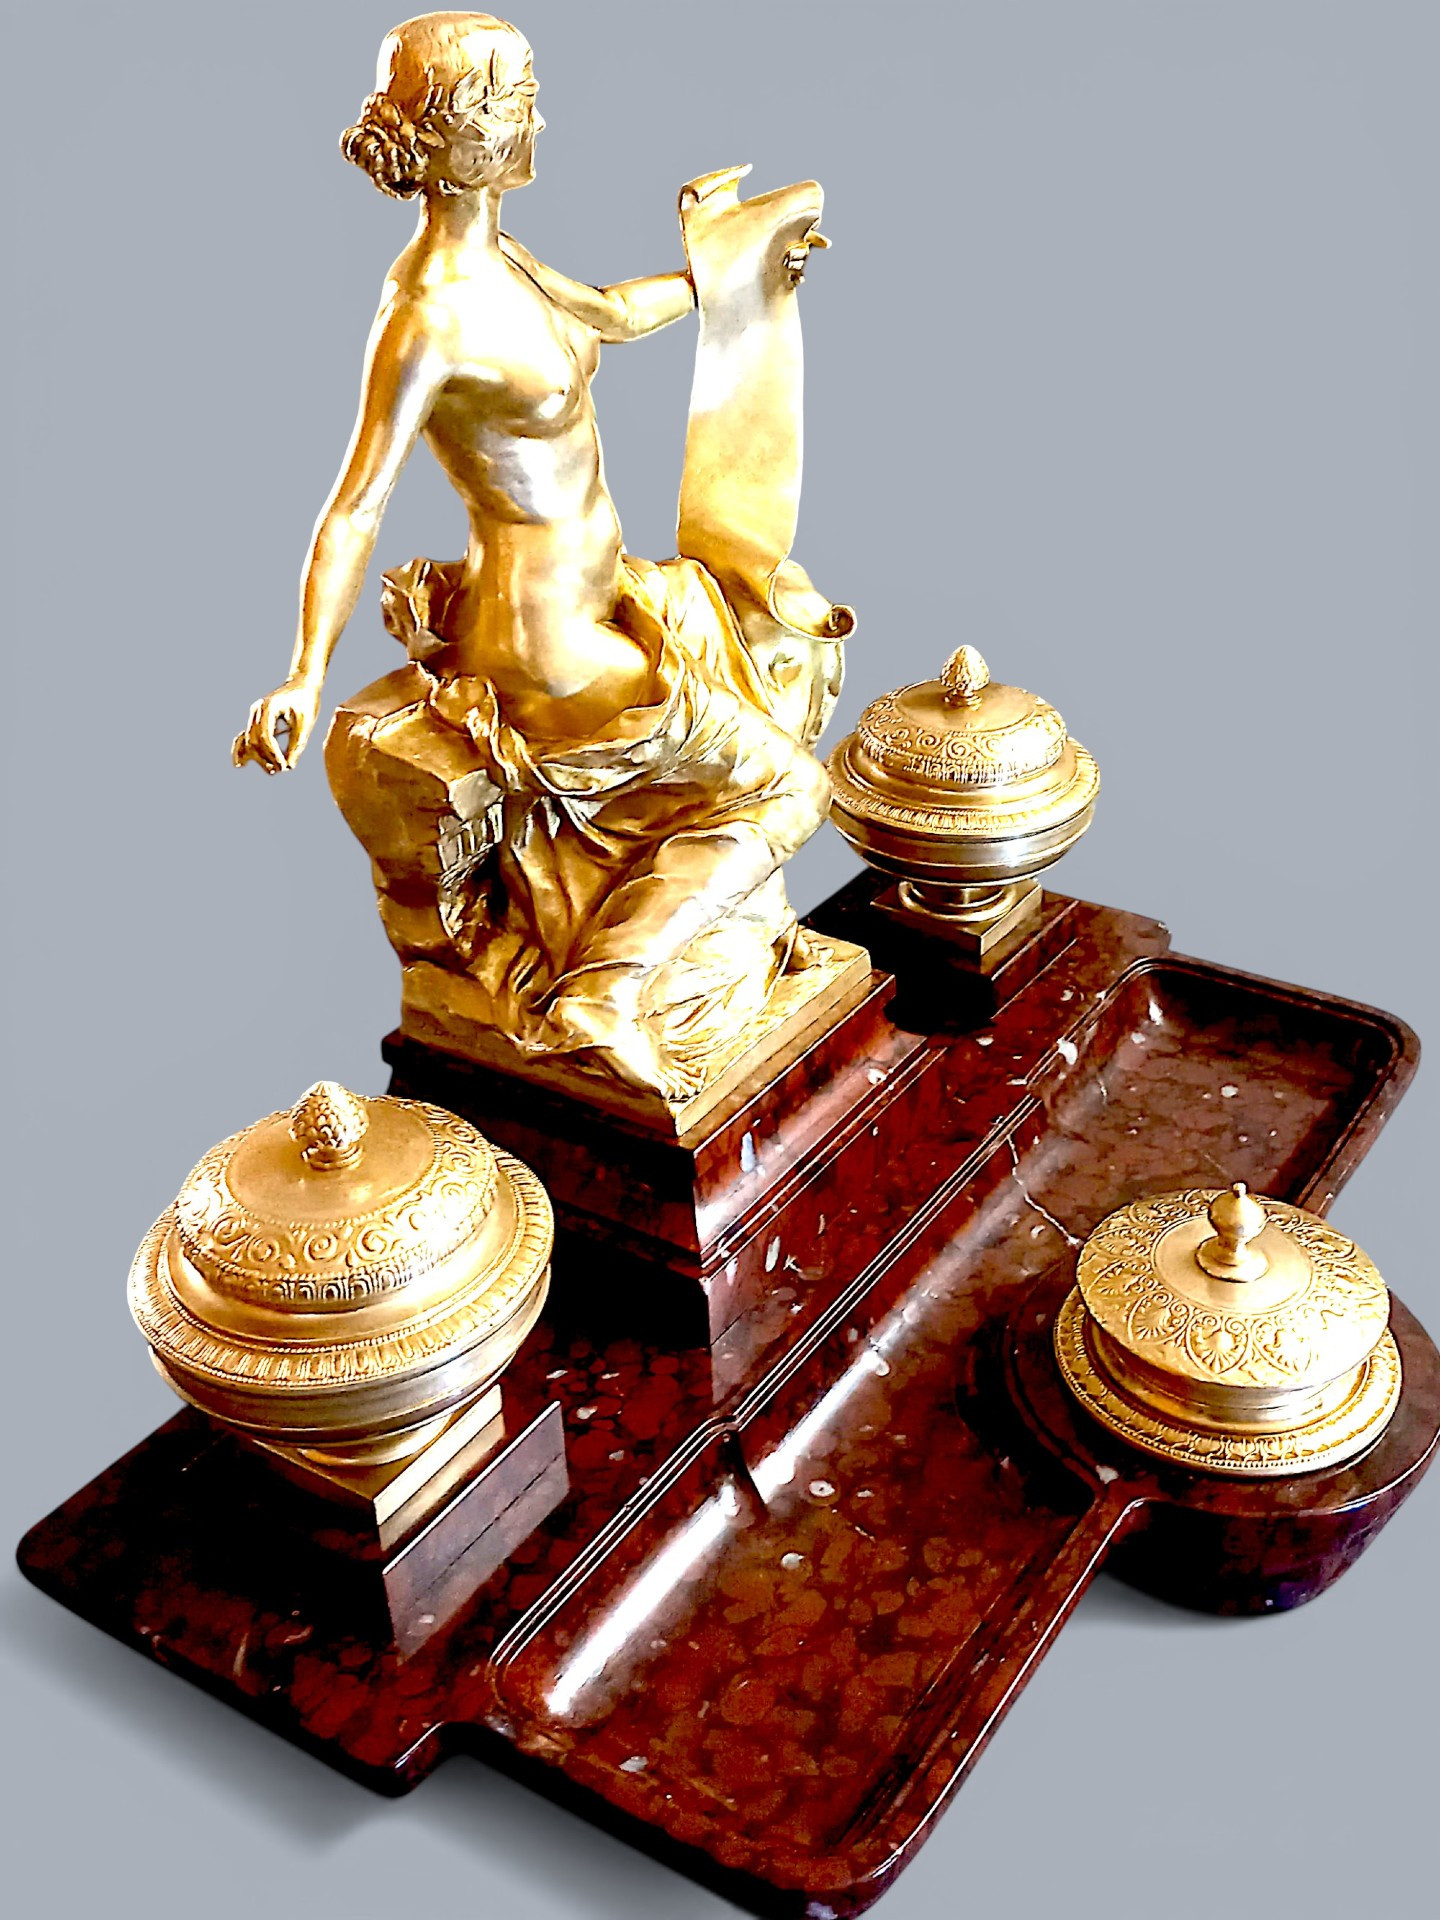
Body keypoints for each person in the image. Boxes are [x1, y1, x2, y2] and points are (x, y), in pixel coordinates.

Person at [233, 12, 835, 1102]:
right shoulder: (426, 316)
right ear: (458, 136)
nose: (539, 118)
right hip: (546, 644)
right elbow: (356, 506)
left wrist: (732, 270)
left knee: (769, 663)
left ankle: (640, 959)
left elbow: (611, 314)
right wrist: (304, 674)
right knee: (792, 789)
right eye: (516, 100)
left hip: (609, 604)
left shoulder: (502, 258)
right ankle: (604, 991)